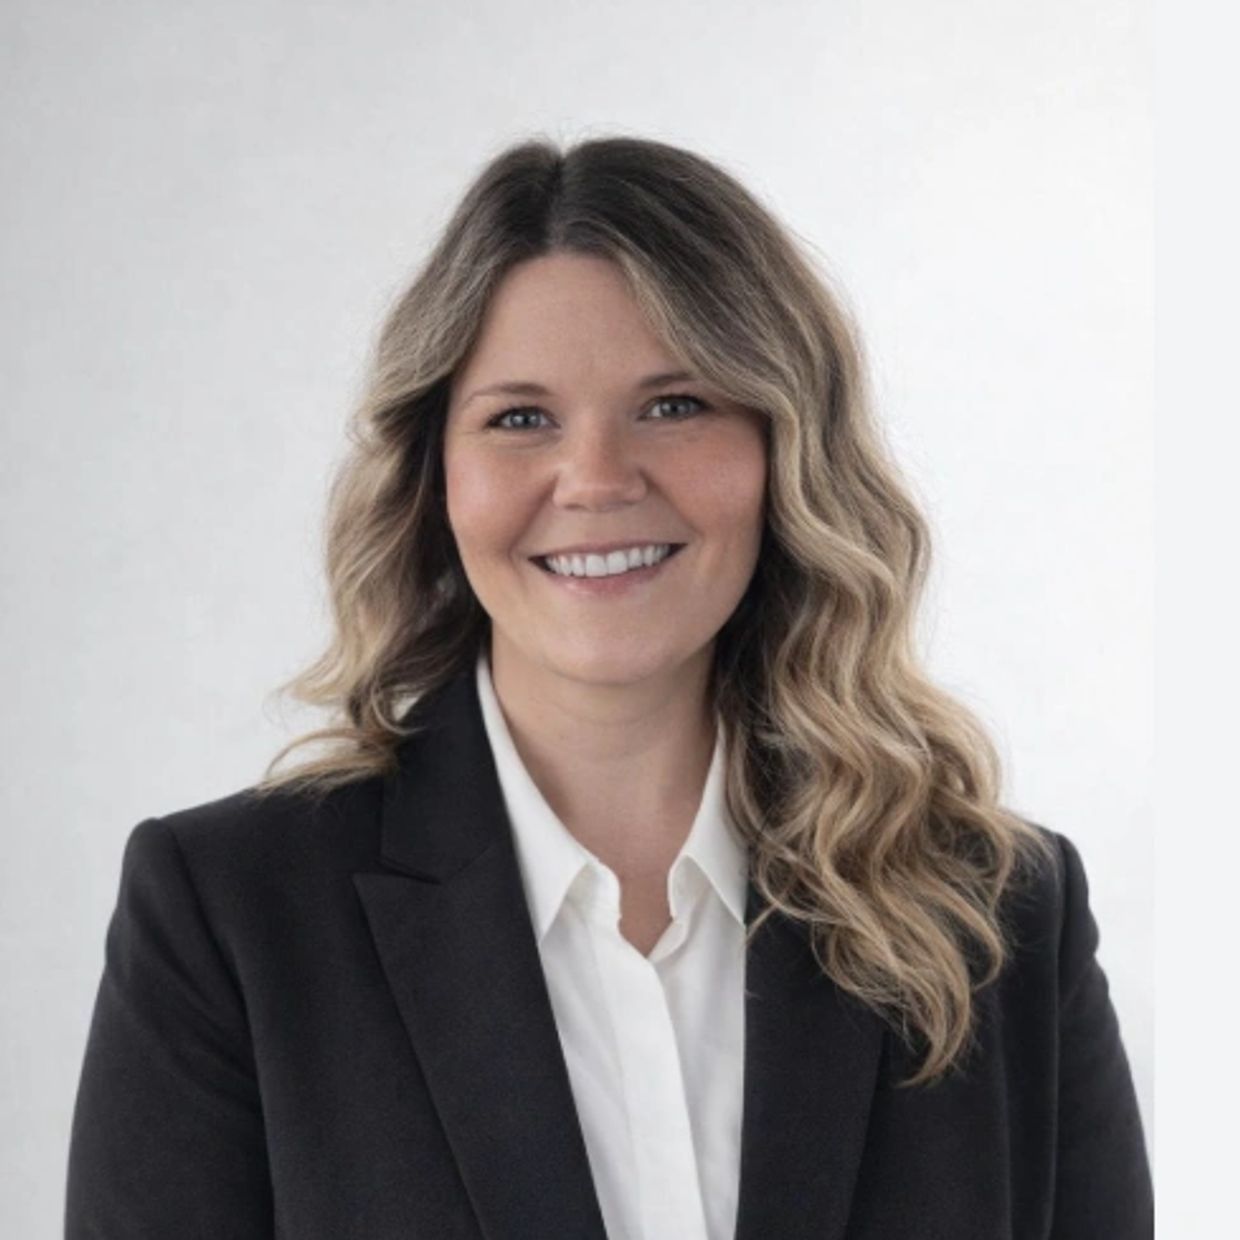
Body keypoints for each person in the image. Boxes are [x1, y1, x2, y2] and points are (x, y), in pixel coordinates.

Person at [64, 135, 1153, 1240]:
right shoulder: (232, 916)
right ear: (433, 472)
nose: (595, 479)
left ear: (786, 451)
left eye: (674, 404)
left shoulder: (995, 915)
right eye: (520, 418)